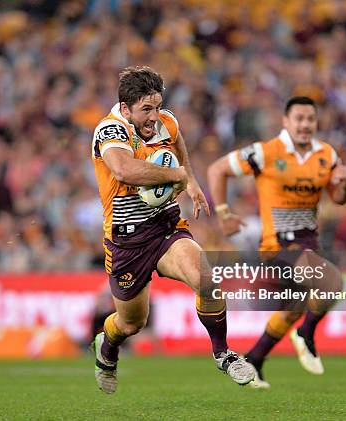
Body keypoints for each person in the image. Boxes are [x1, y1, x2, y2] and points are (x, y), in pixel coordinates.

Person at [90, 66, 254, 394]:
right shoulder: (110, 131)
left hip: (166, 227)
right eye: (145, 109)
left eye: (157, 106)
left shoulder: (167, 122)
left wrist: (190, 181)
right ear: (125, 109)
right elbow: (124, 170)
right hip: (126, 241)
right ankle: (106, 348)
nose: (154, 116)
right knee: (132, 323)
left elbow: (181, 155)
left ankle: (223, 354)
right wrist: (176, 176)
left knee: (207, 280)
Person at [207, 96, 346, 388]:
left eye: (310, 119)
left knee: (294, 307)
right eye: (299, 118)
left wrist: (343, 185)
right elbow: (217, 169)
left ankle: (255, 360)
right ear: (286, 121)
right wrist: (223, 212)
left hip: (309, 242)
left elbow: (339, 198)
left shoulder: (327, 154)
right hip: (278, 245)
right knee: (333, 282)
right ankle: (306, 334)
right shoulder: (266, 152)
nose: (305, 124)